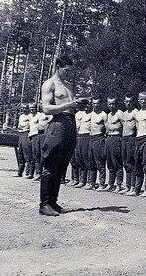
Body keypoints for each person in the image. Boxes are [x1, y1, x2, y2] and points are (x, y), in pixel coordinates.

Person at [39, 56, 85, 216]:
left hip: (70, 124)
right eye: (66, 70)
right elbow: (46, 108)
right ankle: (44, 204)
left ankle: (53, 201)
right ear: (58, 67)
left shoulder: (68, 86)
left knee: (61, 165)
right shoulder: (49, 84)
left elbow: (70, 107)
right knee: (51, 163)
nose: (68, 74)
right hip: (57, 124)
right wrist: (68, 105)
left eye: (70, 71)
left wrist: (78, 105)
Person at [127, 91, 146, 197]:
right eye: (141, 99)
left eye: (145, 99)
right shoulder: (137, 113)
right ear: (138, 100)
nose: (143, 101)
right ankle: (137, 189)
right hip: (138, 139)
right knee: (137, 165)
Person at [86, 98, 107, 191]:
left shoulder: (103, 114)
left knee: (100, 162)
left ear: (100, 104)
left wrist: (103, 138)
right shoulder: (91, 114)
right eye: (94, 103)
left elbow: (107, 127)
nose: (96, 105)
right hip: (91, 139)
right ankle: (91, 183)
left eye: (98, 103)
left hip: (99, 138)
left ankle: (102, 184)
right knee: (91, 162)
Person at [104, 96, 124, 192]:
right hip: (109, 139)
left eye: (113, 104)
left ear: (116, 104)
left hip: (117, 138)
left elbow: (126, 126)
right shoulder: (108, 115)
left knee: (117, 163)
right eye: (110, 104)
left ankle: (119, 185)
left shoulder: (120, 114)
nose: (111, 106)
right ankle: (110, 184)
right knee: (110, 163)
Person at [120, 94, 137, 194]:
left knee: (132, 163)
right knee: (126, 163)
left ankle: (133, 187)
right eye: (126, 101)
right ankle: (128, 185)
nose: (128, 103)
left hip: (131, 139)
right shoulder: (124, 113)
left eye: (130, 101)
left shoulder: (135, 112)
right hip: (124, 139)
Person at [73, 101, 91, 188]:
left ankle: (88, 181)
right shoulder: (78, 114)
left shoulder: (91, 114)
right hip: (78, 137)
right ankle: (79, 180)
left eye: (88, 104)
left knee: (86, 158)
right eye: (84, 104)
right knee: (78, 159)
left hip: (87, 136)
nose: (86, 106)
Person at [31, 103, 51, 181]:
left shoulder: (49, 115)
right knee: (37, 154)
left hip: (44, 135)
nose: (41, 106)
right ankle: (38, 173)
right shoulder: (39, 115)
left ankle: (44, 174)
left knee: (44, 155)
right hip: (37, 135)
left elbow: (49, 124)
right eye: (41, 105)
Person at [16, 103, 31, 178]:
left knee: (27, 154)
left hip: (27, 134)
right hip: (20, 134)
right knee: (20, 154)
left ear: (28, 109)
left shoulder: (30, 116)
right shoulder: (21, 116)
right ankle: (20, 172)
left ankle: (28, 173)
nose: (24, 110)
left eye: (25, 108)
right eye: (23, 108)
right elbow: (19, 126)